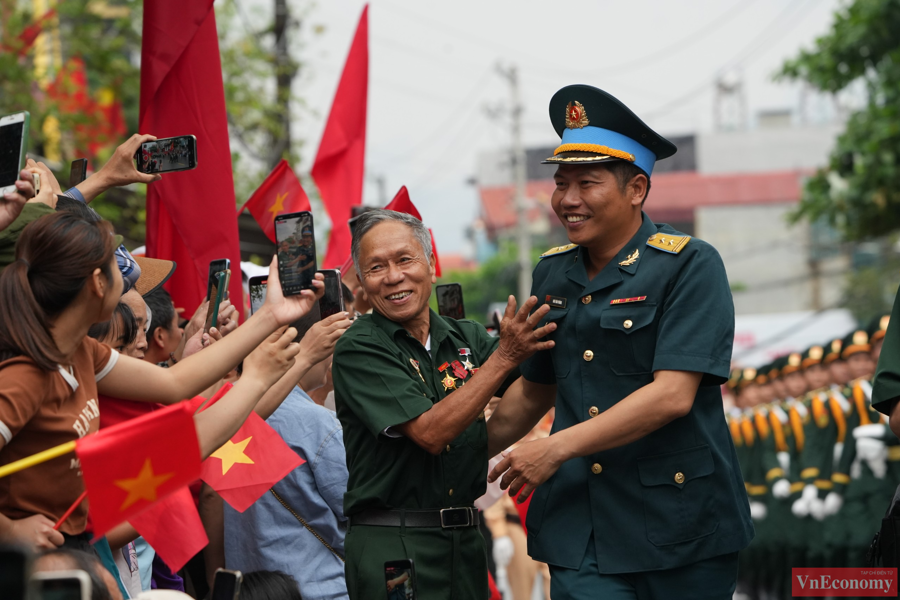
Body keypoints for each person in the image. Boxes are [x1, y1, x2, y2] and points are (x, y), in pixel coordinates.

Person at [485, 85, 753, 600]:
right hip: (582, 526)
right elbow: (536, 390)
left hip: (681, 526)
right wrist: (456, 456)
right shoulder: (552, 273)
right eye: (561, 183)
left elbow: (673, 394)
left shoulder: (689, 265)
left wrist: (556, 446)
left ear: (636, 189)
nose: (567, 199)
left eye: (587, 183)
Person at [0, 211, 323, 553]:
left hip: (71, 547)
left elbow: (175, 383)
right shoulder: (24, 377)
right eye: (115, 264)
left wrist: (272, 315)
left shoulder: (82, 352)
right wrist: (8, 531)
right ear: (98, 282)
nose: (129, 282)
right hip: (31, 561)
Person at [331, 209, 555, 600]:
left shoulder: (466, 336)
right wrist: (503, 358)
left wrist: (555, 352)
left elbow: (531, 393)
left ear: (430, 264)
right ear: (363, 284)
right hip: (395, 544)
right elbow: (431, 433)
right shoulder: (360, 346)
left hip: (465, 540)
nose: (394, 277)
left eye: (405, 259)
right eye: (376, 267)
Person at [224, 312, 353, 600]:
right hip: (317, 587)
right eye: (328, 347)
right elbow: (357, 507)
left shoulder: (220, 409)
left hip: (245, 589)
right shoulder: (318, 423)